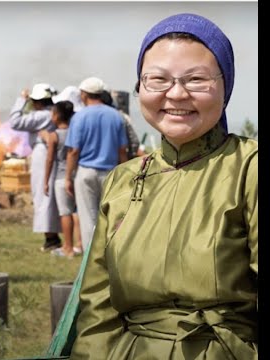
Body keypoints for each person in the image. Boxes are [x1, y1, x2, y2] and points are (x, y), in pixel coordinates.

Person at [71, 13, 257, 359]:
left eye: (197, 79)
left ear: (225, 85)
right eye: (157, 79)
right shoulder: (122, 180)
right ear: (140, 86)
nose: (176, 93)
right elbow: (99, 309)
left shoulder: (249, 167)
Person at [64, 77, 128, 252]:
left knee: (88, 218)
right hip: (110, 172)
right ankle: (111, 255)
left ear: (84, 94)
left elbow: (73, 151)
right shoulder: (116, 116)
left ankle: (91, 261)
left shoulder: (79, 117)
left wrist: (68, 177)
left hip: (86, 172)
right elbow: (122, 150)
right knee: (110, 217)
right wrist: (125, 174)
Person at [9, 83, 62, 252]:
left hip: (43, 153)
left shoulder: (42, 115)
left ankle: (51, 237)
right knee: (45, 194)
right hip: (43, 152)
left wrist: (21, 100)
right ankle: (51, 235)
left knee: (43, 194)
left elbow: (15, 121)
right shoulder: (50, 113)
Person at [39, 100, 83, 259]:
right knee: (76, 212)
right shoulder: (75, 132)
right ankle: (80, 244)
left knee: (65, 213)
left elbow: (50, 159)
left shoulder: (54, 135)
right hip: (75, 176)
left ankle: (68, 248)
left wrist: (45, 181)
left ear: (56, 116)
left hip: (60, 178)